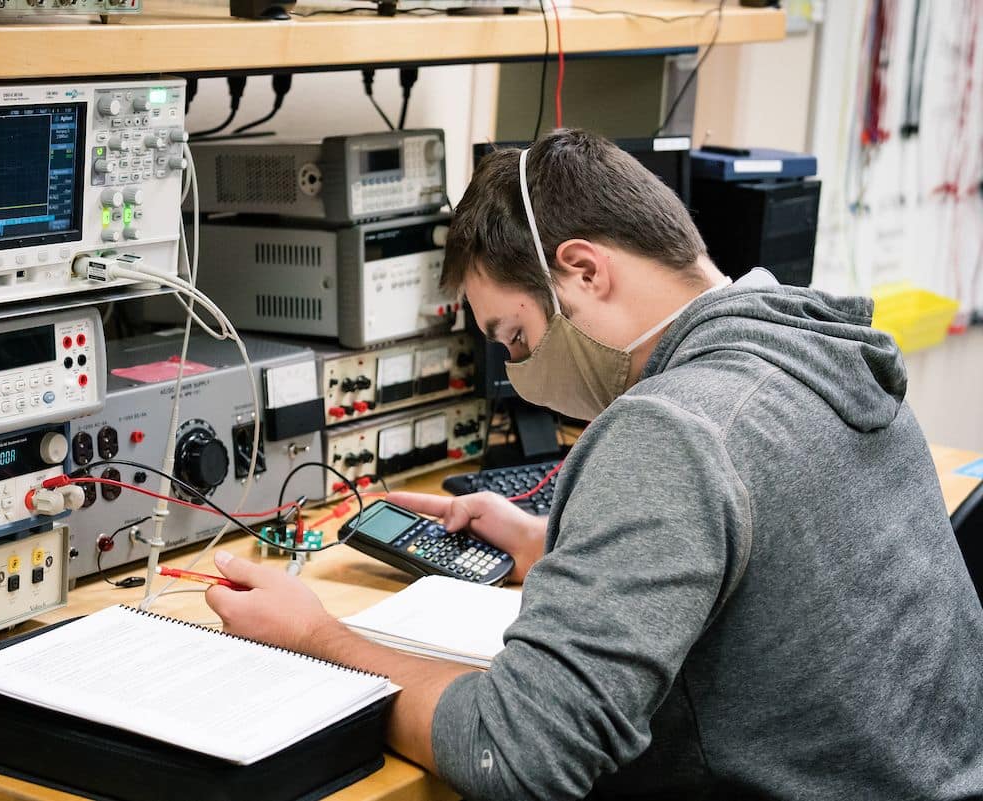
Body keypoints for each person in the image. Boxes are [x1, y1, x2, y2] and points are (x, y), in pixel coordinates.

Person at [204, 129, 983, 799]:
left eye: (514, 336)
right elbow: (777, 572)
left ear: (582, 270)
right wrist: (554, 546)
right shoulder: (821, 354)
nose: (515, 372)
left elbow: (515, 751)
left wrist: (315, 635)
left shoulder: (672, 426)